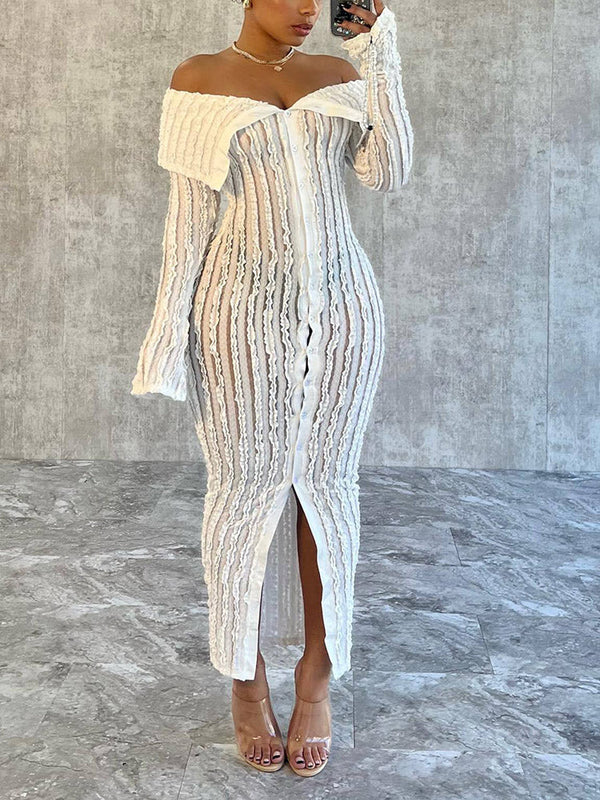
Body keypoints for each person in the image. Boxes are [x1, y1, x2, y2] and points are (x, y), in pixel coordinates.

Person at [131, 0, 413, 778]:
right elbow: (187, 224)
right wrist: (167, 339)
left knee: (328, 487)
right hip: (238, 311)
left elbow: (388, 171)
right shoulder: (199, 78)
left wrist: (379, 51)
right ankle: (246, 679)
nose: (307, 9)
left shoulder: (337, 71)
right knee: (245, 493)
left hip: (346, 310)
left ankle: (316, 679)